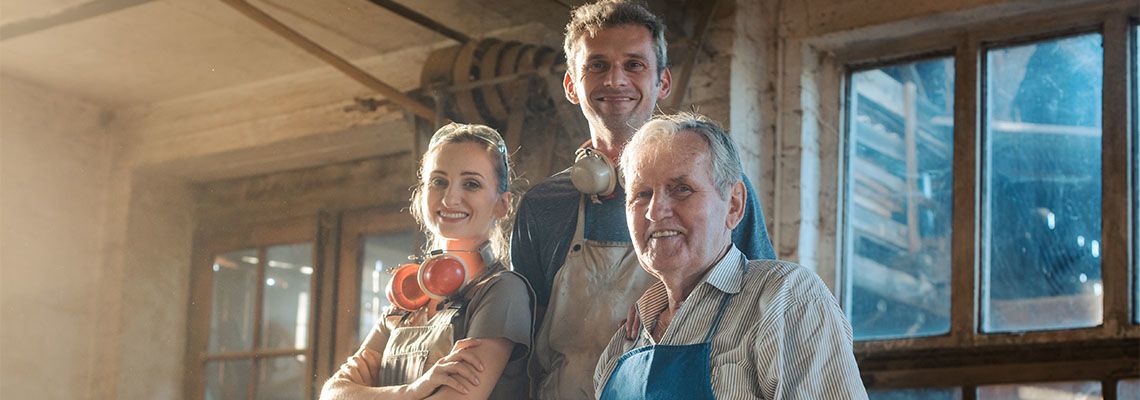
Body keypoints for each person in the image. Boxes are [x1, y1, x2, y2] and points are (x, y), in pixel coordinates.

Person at [511, 1, 776, 398]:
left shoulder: (718, 192)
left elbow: (762, 309)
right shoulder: (542, 205)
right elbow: (521, 343)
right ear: (571, 85)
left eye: (634, 64)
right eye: (597, 65)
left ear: (662, 83)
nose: (615, 80)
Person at [594, 113, 867, 399]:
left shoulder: (785, 300)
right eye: (642, 194)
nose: (654, 211)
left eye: (681, 189)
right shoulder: (622, 346)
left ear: (734, 205)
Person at [321, 123, 533, 400]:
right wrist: (412, 391)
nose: (450, 198)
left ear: (502, 204)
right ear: (421, 196)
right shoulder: (405, 303)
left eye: (471, 184)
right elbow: (333, 393)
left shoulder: (503, 291)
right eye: (438, 181)